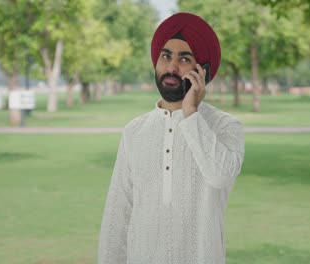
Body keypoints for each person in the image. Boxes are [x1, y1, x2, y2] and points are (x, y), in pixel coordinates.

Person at [98, 12, 245, 264]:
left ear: (203, 70)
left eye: (184, 58)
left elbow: (219, 175)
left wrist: (191, 114)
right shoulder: (135, 131)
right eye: (166, 56)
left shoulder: (225, 127)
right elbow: (118, 213)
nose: (172, 67)